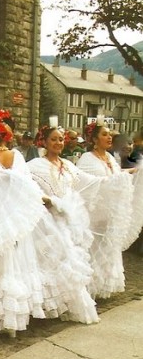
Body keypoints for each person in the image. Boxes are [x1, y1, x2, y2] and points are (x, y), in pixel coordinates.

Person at [0, 109, 48, 335]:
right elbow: (26, 189)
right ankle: (12, 322)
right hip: (16, 221)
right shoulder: (18, 158)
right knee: (14, 267)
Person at [28, 126, 105, 323]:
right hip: (48, 220)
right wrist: (50, 201)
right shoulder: (35, 165)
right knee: (54, 260)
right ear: (44, 142)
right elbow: (28, 189)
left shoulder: (69, 165)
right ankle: (49, 304)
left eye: (61, 139)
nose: (58, 143)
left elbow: (90, 182)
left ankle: (65, 302)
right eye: (53, 139)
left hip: (70, 219)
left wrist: (124, 175)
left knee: (70, 260)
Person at [75, 122, 143, 298]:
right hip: (95, 213)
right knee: (93, 250)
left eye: (110, 134)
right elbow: (87, 184)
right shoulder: (87, 159)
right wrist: (120, 178)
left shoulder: (110, 158)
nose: (109, 137)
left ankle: (103, 285)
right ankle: (90, 286)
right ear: (95, 139)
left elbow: (117, 176)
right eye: (105, 134)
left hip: (109, 213)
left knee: (108, 249)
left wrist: (135, 172)